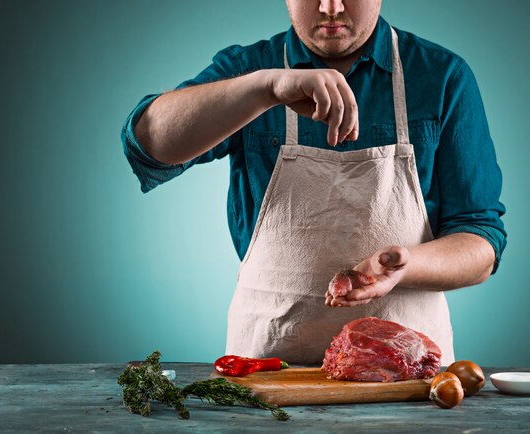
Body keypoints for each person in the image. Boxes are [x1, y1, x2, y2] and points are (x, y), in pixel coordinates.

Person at [122, 0, 506, 365]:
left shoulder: (441, 76)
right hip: (267, 370)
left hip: (408, 375)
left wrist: (407, 266)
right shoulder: (250, 69)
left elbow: (480, 240)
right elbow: (147, 144)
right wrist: (264, 90)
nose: (331, 8)